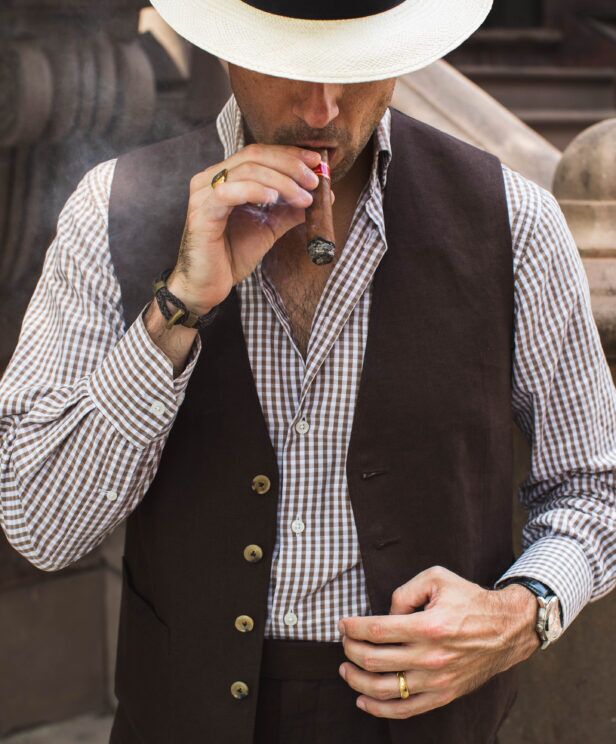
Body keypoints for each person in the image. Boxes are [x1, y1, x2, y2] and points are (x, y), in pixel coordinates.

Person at [1, 1, 615, 742]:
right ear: (229, 48)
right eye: (291, 64)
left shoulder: (515, 222)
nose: (322, 108)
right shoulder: (111, 208)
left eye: (355, 66)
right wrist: (177, 308)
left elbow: (595, 487)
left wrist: (519, 615)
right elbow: (40, 525)